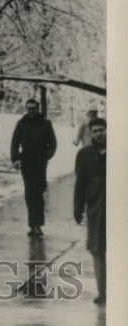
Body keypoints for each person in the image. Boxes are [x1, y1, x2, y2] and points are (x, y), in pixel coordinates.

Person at [10, 98, 57, 237]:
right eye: (28, 108)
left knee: (40, 189)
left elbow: (53, 143)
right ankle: (34, 225)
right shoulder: (22, 123)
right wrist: (16, 159)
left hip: (40, 162)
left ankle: (37, 223)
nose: (30, 111)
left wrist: (47, 156)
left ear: (38, 108)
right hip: (27, 162)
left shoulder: (46, 123)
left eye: (33, 108)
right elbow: (14, 142)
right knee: (31, 192)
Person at [74, 116, 106, 305]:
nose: (99, 134)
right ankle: (102, 292)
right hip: (95, 208)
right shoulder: (84, 154)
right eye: (95, 131)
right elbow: (80, 183)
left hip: (117, 208)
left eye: (101, 130)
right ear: (90, 133)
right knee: (97, 249)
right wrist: (78, 208)